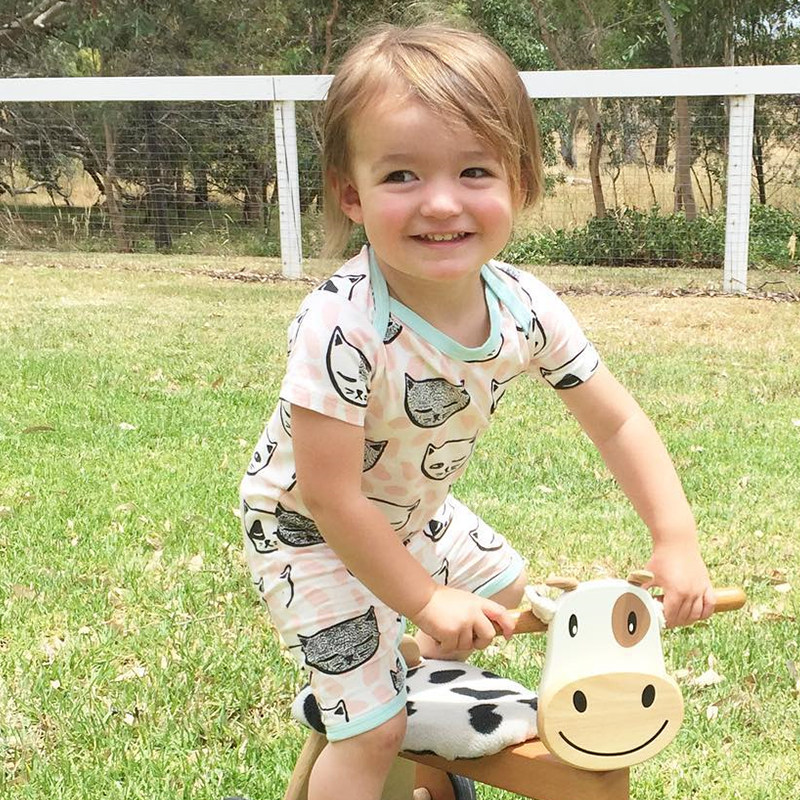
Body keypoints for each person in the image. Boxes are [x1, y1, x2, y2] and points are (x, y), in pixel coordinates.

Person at [240, 22, 715, 800]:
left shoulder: (524, 306)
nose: (440, 202)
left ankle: (406, 706)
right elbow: (330, 497)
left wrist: (675, 538)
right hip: (307, 533)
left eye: (473, 170)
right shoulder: (341, 324)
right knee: (370, 732)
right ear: (351, 194)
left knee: (502, 588)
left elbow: (617, 421)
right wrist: (426, 600)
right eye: (401, 175)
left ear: (519, 183)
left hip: (411, 512)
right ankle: (372, 713)